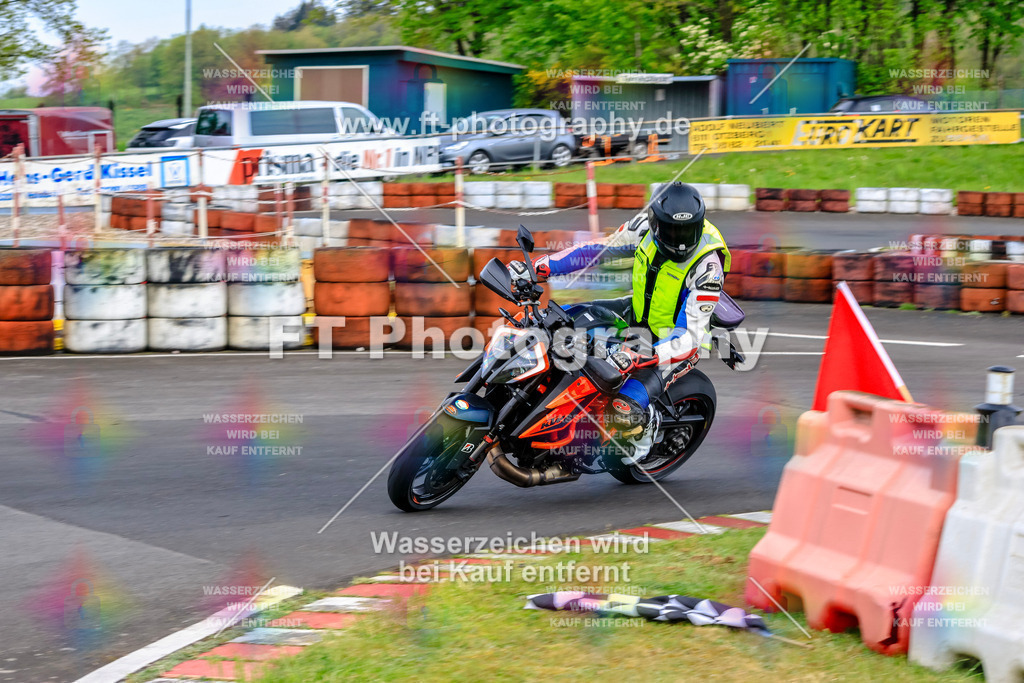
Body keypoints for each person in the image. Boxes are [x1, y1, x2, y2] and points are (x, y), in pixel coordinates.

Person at [508, 181, 731, 464]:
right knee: (556, 323)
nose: (681, 241)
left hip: (671, 342)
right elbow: (597, 251)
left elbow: (688, 339)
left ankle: (646, 429)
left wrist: (639, 355)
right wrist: (542, 267)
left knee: (622, 409)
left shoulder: (708, 268)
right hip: (635, 313)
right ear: (655, 223)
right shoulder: (643, 228)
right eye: (673, 231)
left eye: (688, 231)